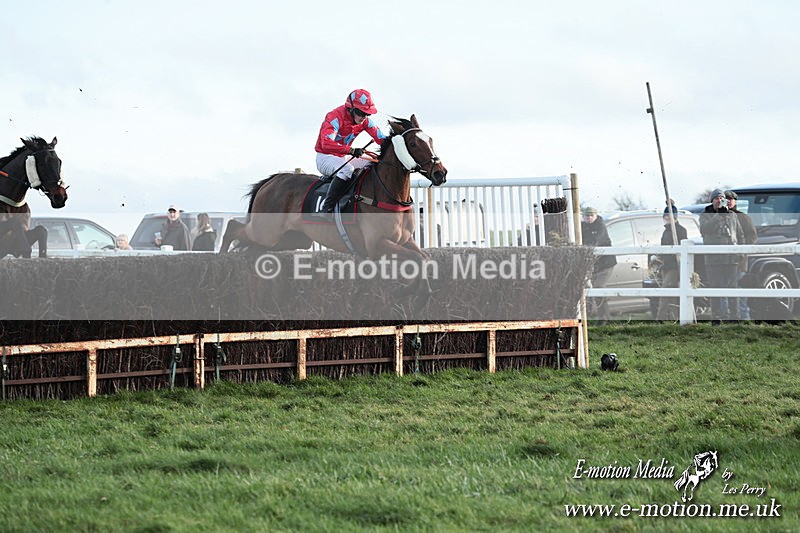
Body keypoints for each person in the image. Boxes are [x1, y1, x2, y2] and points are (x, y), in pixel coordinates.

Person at [314, 89, 387, 218]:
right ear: (351, 109)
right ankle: (327, 208)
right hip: (325, 157)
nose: (363, 117)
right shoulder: (334, 117)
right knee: (347, 169)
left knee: (373, 163)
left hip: (343, 156)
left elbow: (381, 139)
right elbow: (326, 143)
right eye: (360, 113)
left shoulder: (365, 121)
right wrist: (351, 150)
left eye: (367, 114)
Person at [699, 189, 744, 323]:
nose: (720, 200)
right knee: (715, 289)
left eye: (722, 198)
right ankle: (716, 318)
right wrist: (718, 216)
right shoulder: (705, 215)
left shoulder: (733, 216)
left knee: (733, 289)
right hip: (713, 260)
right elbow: (704, 230)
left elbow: (740, 234)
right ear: (712, 200)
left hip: (731, 259)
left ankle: (735, 318)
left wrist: (741, 252)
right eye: (717, 198)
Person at [582, 207, 617, 324]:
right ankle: (601, 318)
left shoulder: (601, 226)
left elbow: (597, 241)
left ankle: (604, 318)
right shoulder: (583, 227)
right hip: (593, 265)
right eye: (587, 216)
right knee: (590, 291)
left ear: (596, 216)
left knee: (598, 288)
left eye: (591, 215)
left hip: (605, 263)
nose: (589, 218)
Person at [726, 190, 757, 320]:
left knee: (738, 286)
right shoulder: (718, 216)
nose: (727, 201)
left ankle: (744, 317)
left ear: (735, 201)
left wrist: (739, 247)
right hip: (723, 261)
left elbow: (752, 236)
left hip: (739, 260)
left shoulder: (743, 217)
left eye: (730, 199)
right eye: (725, 198)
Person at [656, 205, 689, 320]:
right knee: (672, 292)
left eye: (668, 216)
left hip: (675, 266)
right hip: (665, 265)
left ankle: (660, 318)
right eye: (665, 216)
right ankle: (674, 317)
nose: (666, 218)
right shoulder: (665, 232)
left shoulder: (680, 230)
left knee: (665, 290)